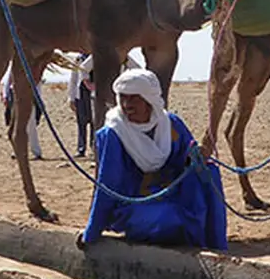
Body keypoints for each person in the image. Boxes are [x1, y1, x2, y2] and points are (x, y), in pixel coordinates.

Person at [77, 67, 227, 251]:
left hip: (171, 193)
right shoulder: (113, 134)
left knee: (209, 171)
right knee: (168, 218)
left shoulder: (171, 124)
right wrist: (91, 232)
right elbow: (108, 185)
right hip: (134, 203)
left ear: (149, 99)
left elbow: (188, 157)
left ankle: (216, 245)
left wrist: (197, 157)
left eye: (134, 98)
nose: (127, 104)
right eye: (123, 97)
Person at [2, 68, 43, 160]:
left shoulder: (34, 67)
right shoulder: (14, 68)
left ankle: (36, 151)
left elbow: (38, 84)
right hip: (15, 97)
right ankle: (17, 150)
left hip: (29, 97)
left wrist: (38, 100)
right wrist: (5, 95)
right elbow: (7, 82)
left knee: (31, 125)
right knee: (16, 126)